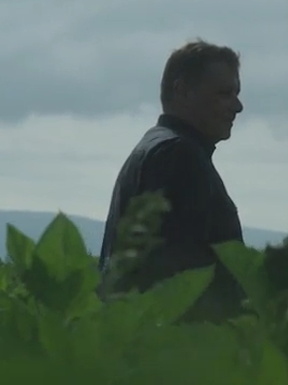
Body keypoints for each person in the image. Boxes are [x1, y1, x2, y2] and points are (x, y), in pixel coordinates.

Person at [98, 39, 247, 323]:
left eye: (236, 93)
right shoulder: (177, 156)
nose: (237, 106)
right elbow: (179, 277)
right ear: (182, 91)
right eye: (224, 94)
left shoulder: (157, 148)